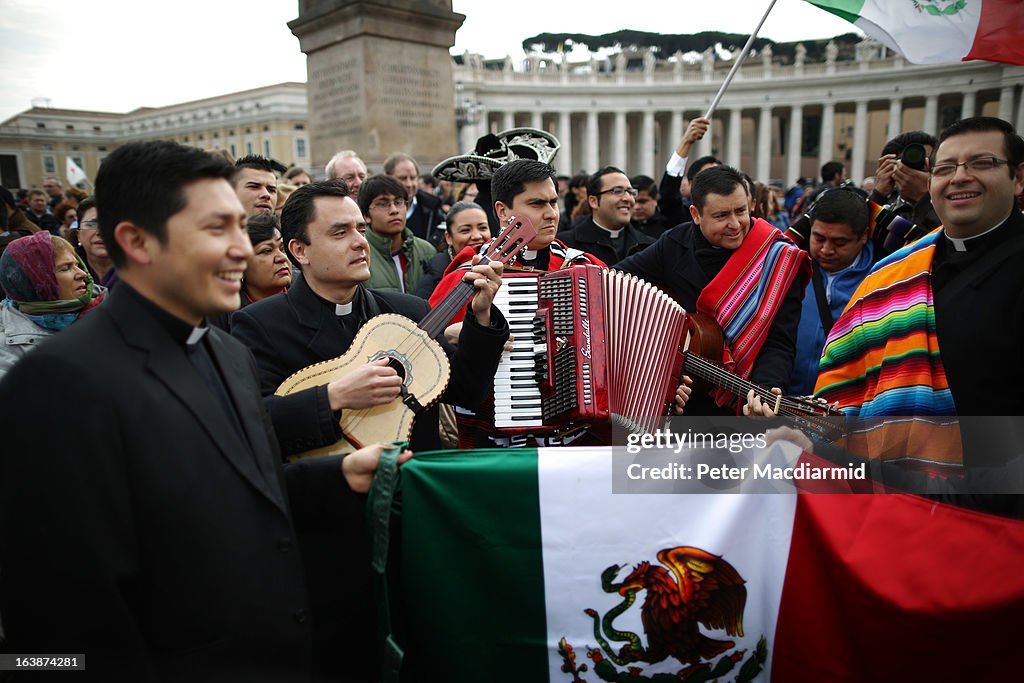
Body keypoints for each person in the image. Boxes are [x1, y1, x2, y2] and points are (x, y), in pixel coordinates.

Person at [0, 141, 401, 680]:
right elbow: (53, 631)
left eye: (242, 227)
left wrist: (336, 476)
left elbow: (235, 494)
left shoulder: (228, 350)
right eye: (217, 230)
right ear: (136, 241)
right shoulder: (55, 385)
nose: (243, 249)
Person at [230, 179, 507, 679]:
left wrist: (484, 318)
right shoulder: (258, 325)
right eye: (340, 232)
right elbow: (250, 427)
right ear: (300, 251)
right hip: (331, 527)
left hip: (413, 511)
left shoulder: (407, 312)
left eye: (360, 228)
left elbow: (465, 391)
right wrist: (332, 396)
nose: (359, 240)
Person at [758, 116, 1024, 518]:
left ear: (1019, 178)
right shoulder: (891, 277)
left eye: (982, 163)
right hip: (897, 509)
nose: (959, 178)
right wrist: (818, 451)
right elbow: (851, 402)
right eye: (946, 168)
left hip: (992, 519)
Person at [429, 159, 607, 447]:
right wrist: (459, 334)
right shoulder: (470, 272)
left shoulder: (586, 268)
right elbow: (428, 348)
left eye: (553, 202)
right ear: (502, 211)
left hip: (579, 438)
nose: (551, 214)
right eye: (537, 204)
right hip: (496, 442)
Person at [616, 165, 809, 416]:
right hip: (684, 402)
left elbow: (779, 342)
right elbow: (615, 280)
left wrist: (765, 392)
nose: (735, 224)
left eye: (741, 211)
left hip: (743, 403)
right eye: (721, 216)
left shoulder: (779, 258)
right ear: (696, 215)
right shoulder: (674, 244)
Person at [789, 188, 872, 395]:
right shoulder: (788, 269)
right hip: (785, 399)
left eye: (839, 243)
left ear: (863, 237)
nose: (826, 250)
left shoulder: (883, 280)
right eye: (818, 238)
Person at [0, 231, 103, 379]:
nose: (82, 274)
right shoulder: (6, 348)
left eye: (77, 264)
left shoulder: (109, 309)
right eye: (66, 268)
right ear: (35, 281)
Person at [558, 166, 655, 266]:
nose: (627, 198)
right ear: (594, 201)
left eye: (631, 192)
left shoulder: (649, 247)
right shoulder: (564, 247)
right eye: (617, 191)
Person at [358, 174, 435, 294]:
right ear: (366, 215)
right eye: (383, 204)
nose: (394, 210)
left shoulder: (426, 251)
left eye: (398, 202)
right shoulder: (359, 255)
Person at [415, 200, 490, 299]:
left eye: (483, 228)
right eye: (465, 230)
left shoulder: (500, 264)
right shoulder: (436, 276)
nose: (476, 236)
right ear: (449, 237)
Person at [383, 152, 445, 246]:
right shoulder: (376, 210)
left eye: (412, 178)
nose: (409, 184)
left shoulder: (433, 210)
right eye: (403, 178)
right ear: (387, 179)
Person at [73, 196, 118, 289]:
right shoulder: (61, 275)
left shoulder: (144, 274)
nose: (101, 232)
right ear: (78, 235)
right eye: (91, 224)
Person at [631, 173, 672, 238]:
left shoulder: (668, 226)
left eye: (642, 202)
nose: (637, 207)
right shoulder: (620, 227)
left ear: (655, 199)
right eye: (632, 202)